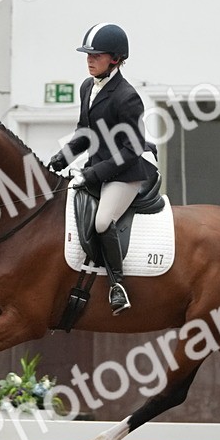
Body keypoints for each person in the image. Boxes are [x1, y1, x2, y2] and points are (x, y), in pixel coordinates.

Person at [48, 22, 158, 315]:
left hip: (128, 172)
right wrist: (62, 158)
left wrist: (92, 174)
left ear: (116, 59)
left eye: (96, 55)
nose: (89, 60)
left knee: (101, 222)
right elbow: (86, 132)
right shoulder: (88, 87)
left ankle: (117, 286)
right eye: (87, 54)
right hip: (97, 165)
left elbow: (132, 149)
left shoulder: (127, 96)